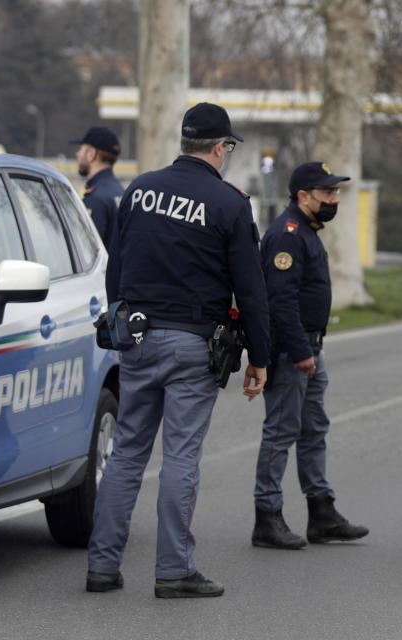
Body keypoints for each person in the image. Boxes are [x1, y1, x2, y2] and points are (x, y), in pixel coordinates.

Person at [86, 103, 271, 598]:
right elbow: (249, 288)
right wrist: (260, 357)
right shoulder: (230, 203)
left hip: (139, 340)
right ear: (219, 147)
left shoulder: (139, 189)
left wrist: (120, 319)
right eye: (228, 146)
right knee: (181, 459)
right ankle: (174, 571)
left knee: (126, 453)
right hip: (192, 345)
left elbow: (115, 267)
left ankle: (102, 567)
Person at [251, 161, 369, 550]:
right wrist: (301, 351)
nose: (335, 199)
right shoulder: (287, 234)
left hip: (310, 347)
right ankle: (267, 517)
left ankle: (322, 513)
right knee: (281, 432)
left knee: (314, 429)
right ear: (303, 196)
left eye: (336, 192)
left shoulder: (307, 231)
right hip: (292, 351)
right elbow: (280, 300)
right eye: (327, 193)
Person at [71, 126, 124, 248]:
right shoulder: (121, 191)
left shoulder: (96, 198)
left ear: (91, 154)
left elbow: (86, 248)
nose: (77, 154)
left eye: (81, 149)